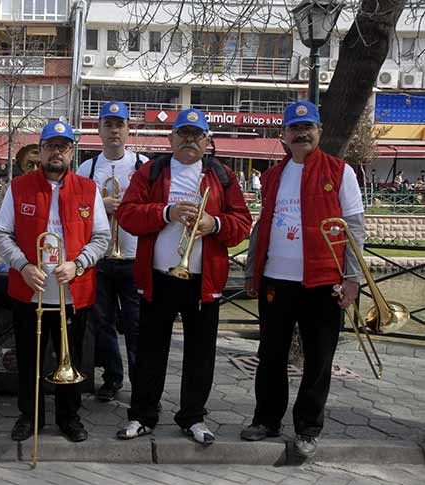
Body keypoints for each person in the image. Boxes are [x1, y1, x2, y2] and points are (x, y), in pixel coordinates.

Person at [115, 108, 251, 444]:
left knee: (200, 354)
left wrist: (214, 224)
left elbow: (242, 224)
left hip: (203, 282)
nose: (189, 140)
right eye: (183, 134)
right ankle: (143, 416)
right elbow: (128, 214)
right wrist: (166, 212)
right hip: (159, 277)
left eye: (197, 135)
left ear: (207, 141)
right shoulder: (151, 171)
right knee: (150, 351)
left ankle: (192, 417)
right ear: (171, 138)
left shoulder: (222, 175)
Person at [241, 101, 365, 459]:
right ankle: (266, 420)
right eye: (294, 128)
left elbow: (355, 229)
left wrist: (353, 279)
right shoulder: (273, 175)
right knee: (270, 355)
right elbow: (262, 225)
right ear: (283, 136)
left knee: (318, 358)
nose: (301, 133)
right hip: (276, 280)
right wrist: (252, 269)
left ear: (319, 131)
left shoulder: (341, 172)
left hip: (324, 281)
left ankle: (308, 428)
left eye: (308, 126)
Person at [0, 120, 110, 443]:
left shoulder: (88, 189)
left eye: (63, 146)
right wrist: (23, 265)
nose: (56, 152)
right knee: (28, 358)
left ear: (72, 151)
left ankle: (69, 418)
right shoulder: (19, 187)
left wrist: (78, 264)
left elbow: (102, 237)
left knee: (68, 359)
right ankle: (29, 417)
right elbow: (1, 233)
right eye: (50, 146)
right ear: (40, 150)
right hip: (30, 288)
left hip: (73, 290)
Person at [76, 101, 148, 402]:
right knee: (102, 324)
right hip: (100, 257)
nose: (114, 130)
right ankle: (112, 377)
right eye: (108, 124)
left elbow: (151, 208)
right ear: (99, 130)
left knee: (135, 325)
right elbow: (76, 211)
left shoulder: (143, 165)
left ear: (128, 129)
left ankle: (141, 384)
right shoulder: (87, 167)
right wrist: (98, 207)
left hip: (133, 256)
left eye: (120, 124)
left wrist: (128, 207)